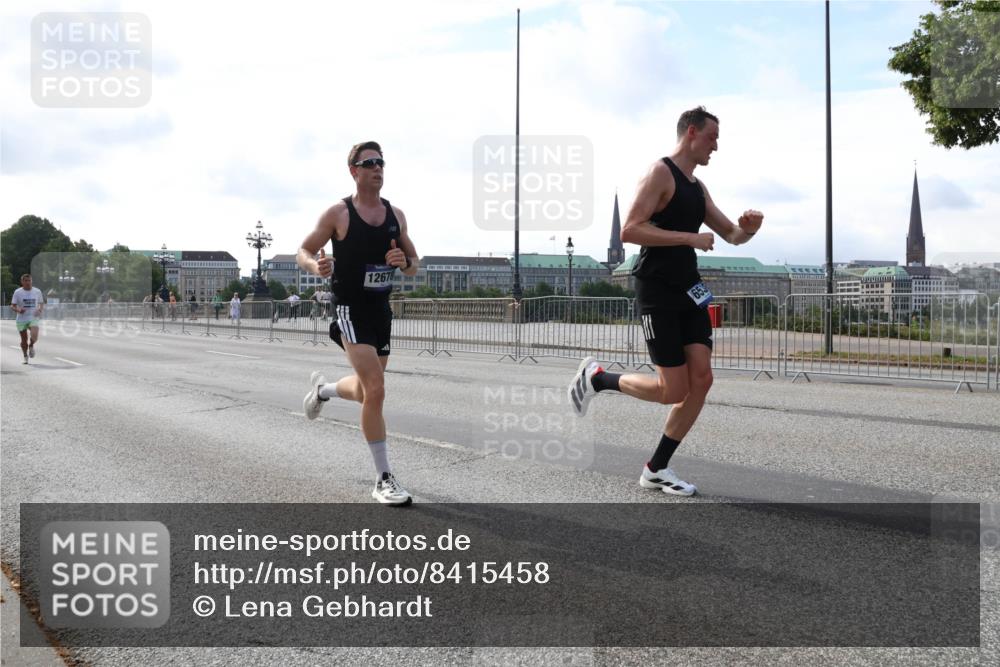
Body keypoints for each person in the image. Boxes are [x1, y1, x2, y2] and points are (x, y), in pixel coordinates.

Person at [568, 107, 763, 496]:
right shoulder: (660, 173)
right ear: (692, 132)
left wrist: (749, 230)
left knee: (702, 380)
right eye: (712, 138)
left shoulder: (698, 187)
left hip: (689, 288)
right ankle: (597, 379)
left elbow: (731, 235)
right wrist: (689, 238)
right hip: (657, 289)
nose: (716, 147)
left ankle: (656, 468)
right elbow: (629, 230)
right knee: (672, 390)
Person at [299, 140, 420, 506]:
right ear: (354, 170)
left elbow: (414, 261)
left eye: (381, 162)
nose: (377, 167)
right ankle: (384, 478)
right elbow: (303, 250)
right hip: (350, 309)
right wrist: (314, 266)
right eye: (369, 162)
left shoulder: (395, 215)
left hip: (380, 311)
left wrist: (404, 262)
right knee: (378, 388)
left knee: (370, 391)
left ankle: (324, 391)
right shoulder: (339, 214)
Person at [11, 274, 45, 364]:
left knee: (35, 335)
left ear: (31, 281)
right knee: (24, 340)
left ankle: (31, 345)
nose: (27, 282)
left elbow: (41, 303)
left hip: (33, 317)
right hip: (21, 318)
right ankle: (25, 356)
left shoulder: (37, 291)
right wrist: (18, 309)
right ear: (22, 282)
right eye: (25, 281)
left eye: (29, 280)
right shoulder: (17, 292)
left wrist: (40, 310)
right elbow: (12, 305)